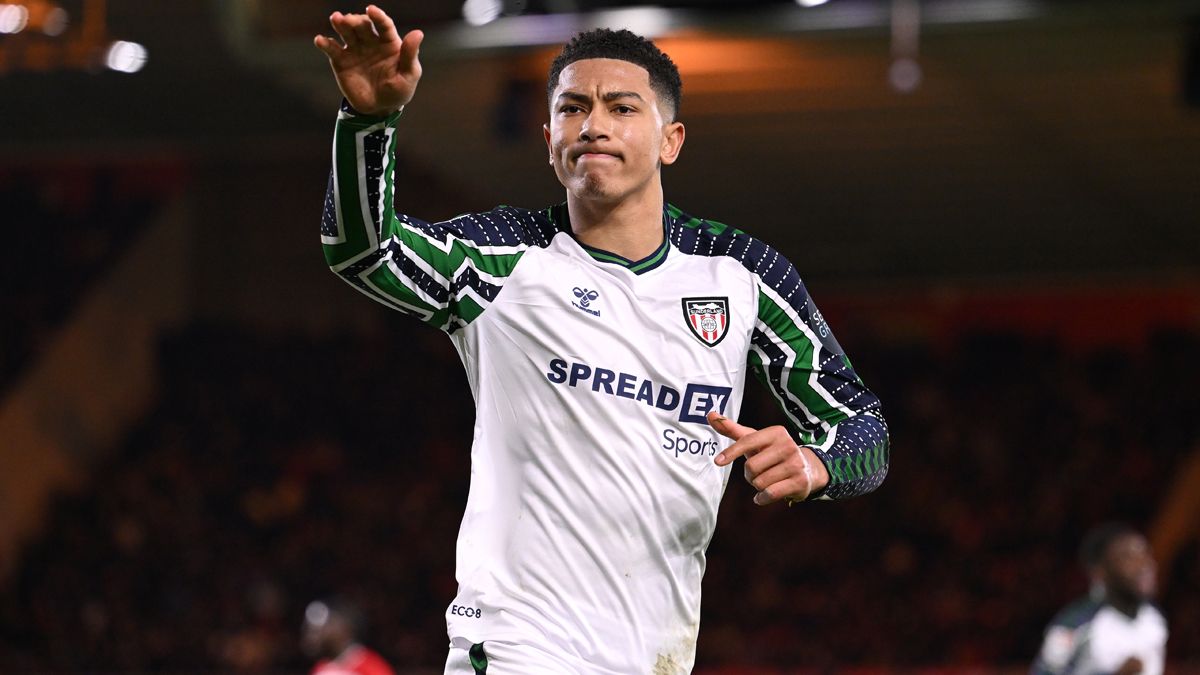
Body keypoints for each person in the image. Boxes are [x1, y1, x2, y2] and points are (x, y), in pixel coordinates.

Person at [313, 7, 889, 673]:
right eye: (572, 108)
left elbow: (863, 427)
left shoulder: (742, 275)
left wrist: (817, 463)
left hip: (655, 655)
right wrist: (369, 122)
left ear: (671, 140)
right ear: (549, 138)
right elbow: (364, 251)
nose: (593, 125)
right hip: (518, 647)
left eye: (621, 108)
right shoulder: (503, 258)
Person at [1032, 523, 1168, 675]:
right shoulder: (1076, 622)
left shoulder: (1154, 617)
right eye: (1127, 557)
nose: (1143, 564)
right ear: (1099, 571)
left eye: (1145, 553)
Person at [302, 598, 396, 675]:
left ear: (342, 628)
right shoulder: (320, 668)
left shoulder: (371, 666)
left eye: (320, 630)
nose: (312, 636)